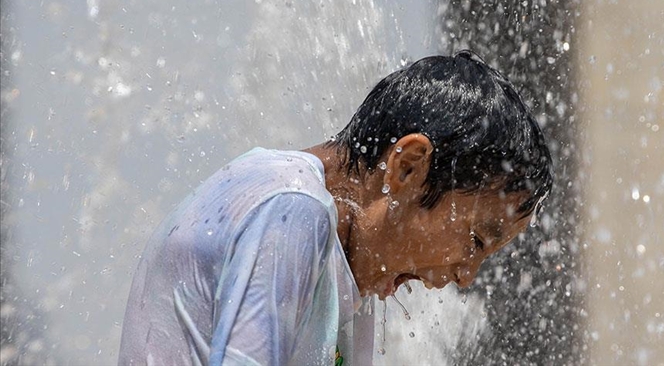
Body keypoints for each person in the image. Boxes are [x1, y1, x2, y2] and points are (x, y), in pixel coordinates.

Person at [118, 50, 553, 365]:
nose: (463, 276)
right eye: (475, 240)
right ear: (407, 167)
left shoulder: (342, 264)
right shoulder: (291, 211)